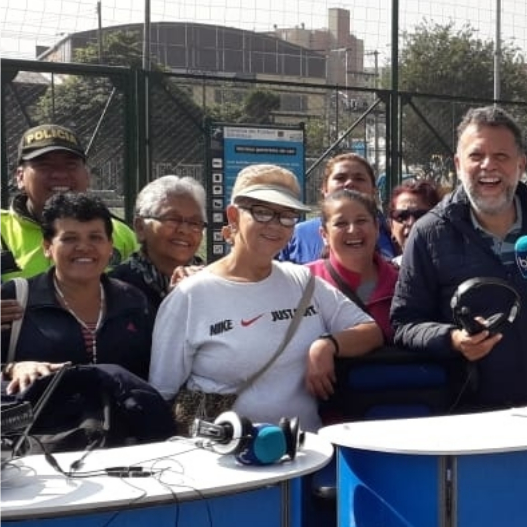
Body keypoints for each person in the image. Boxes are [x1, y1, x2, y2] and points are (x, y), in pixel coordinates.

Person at [149, 164, 383, 432]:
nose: (275, 225)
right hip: (224, 461)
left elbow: (370, 331)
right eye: (262, 212)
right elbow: (161, 394)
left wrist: (327, 345)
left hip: (305, 456)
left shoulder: (303, 282)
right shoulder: (190, 295)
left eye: (286, 216)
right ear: (234, 216)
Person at [391, 105, 527, 410]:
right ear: (458, 164)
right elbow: (404, 323)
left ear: (521, 164)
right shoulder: (429, 232)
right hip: (466, 413)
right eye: (476, 156)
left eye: (501, 156)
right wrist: (453, 339)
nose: (489, 166)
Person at [1, 192, 153, 392]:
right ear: (47, 247)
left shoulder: (133, 301)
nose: (83, 247)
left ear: (109, 246)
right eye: (69, 238)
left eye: (95, 237)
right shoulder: (15, 299)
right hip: (42, 422)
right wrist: (12, 369)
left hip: (123, 421)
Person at [2, 124, 139, 329]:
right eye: (45, 165)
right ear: (20, 176)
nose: (59, 174)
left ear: (87, 175)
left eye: (71, 164)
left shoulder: (120, 233)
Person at [306, 188, 398, 341]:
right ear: (324, 235)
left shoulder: (403, 282)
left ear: (376, 228)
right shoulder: (304, 282)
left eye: (361, 221)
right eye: (341, 223)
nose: (353, 230)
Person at [110, 176, 206, 315]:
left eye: (195, 223)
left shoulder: (213, 283)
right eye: (172, 219)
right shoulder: (115, 289)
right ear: (140, 227)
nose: (184, 230)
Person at [278, 152, 393, 264]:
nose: (349, 183)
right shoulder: (295, 235)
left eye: (359, 179)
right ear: (324, 189)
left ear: (373, 190)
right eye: (340, 178)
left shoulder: (393, 233)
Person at [387, 178, 441, 263]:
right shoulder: (385, 274)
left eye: (421, 215)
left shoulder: (455, 272)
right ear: (391, 226)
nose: (411, 222)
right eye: (402, 215)